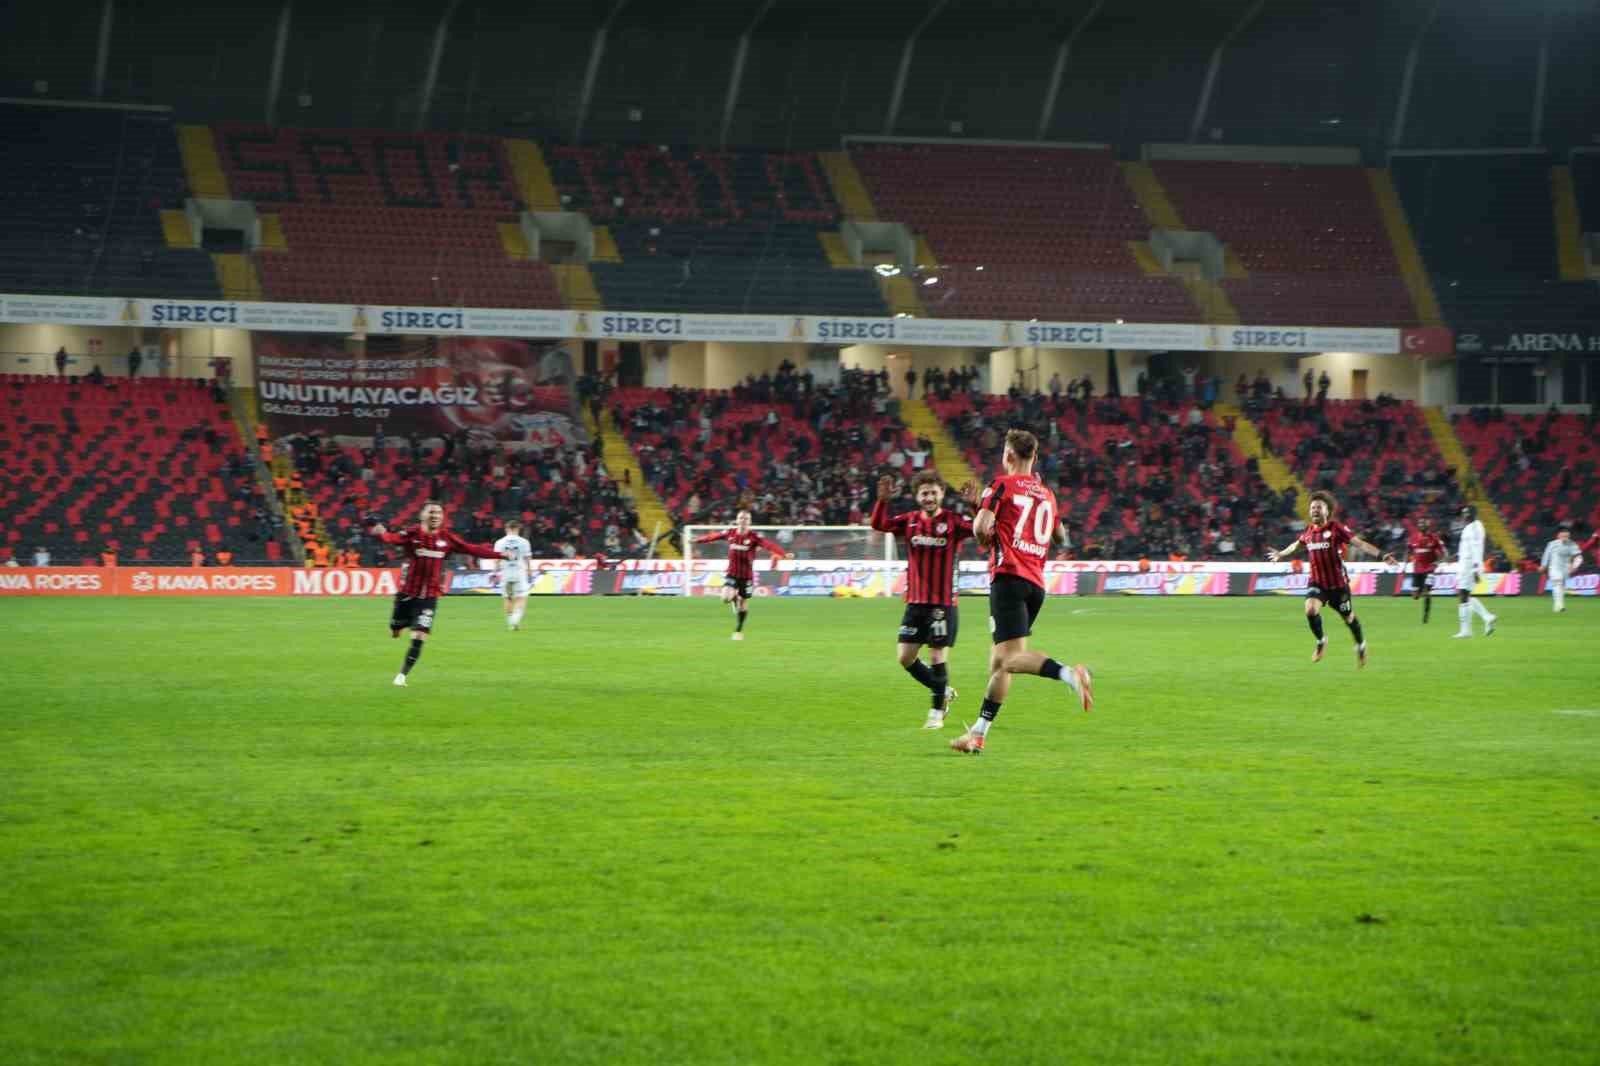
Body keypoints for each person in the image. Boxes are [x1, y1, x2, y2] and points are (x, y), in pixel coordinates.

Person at [950, 430, 1093, 755]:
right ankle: (977, 734)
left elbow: (981, 530)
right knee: (1000, 663)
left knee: (1011, 660)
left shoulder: (1001, 485)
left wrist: (978, 509)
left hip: (1008, 578)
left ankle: (1071, 674)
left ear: (1010, 456)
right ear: (1035, 457)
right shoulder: (1046, 493)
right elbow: (1061, 538)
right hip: (1035, 584)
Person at [871, 471, 977, 729]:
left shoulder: (953, 522)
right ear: (917, 496)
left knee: (937, 655)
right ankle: (943, 691)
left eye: (933, 492)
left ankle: (936, 713)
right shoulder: (908, 522)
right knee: (905, 657)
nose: (929, 497)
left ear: (942, 493)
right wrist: (882, 501)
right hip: (915, 602)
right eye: (924, 493)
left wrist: (975, 506)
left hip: (943, 604)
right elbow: (879, 525)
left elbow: (982, 529)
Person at [370, 502, 506, 686]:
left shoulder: (446, 539)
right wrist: (381, 533)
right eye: (431, 512)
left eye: (439, 512)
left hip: (429, 598)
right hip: (407, 594)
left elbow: (471, 549)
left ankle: (401, 676)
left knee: (419, 636)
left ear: (442, 517)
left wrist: (500, 555)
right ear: (422, 515)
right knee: (395, 631)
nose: (435, 515)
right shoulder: (412, 533)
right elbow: (392, 538)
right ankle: (403, 624)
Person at [1267, 490, 1394, 667]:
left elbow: (1360, 544)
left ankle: (1361, 645)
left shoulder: (1336, 529)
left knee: (1349, 618)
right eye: (1312, 507)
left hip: (1338, 586)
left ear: (1327, 511)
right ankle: (1321, 641)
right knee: (1310, 609)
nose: (1315, 510)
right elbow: (1297, 545)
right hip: (1317, 582)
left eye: (1319, 507)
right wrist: (1281, 554)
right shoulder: (1309, 531)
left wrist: (1382, 555)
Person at [692, 510, 788, 640]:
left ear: (749, 522)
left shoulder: (754, 537)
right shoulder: (730, 533)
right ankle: (733, 599)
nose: (743, 520)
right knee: (725, 598)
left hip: (746, 576)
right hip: (732, 573)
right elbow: (713, 536)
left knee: (743, 604)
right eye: (741, 518)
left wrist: (783, 553)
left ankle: (738, 630)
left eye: (746, 519)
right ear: (737, 520)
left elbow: (769, 545)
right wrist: (698, 540)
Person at [1452, 504, 1497, 638]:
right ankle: (1487, 617)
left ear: (1473, 514)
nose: (1464, 516)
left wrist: (1477, 568)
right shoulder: (1470, 527)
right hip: (1465, 564)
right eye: (1463, 513)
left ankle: (1466, 630)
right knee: (1464, 594)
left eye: (1467, 513)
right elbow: (1467, 547)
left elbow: (1477, 549)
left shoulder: (1476, 528)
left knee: (1463, 595)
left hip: (1470, 565)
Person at [1404, 515, 1447, 623]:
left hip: (1429, 568)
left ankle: (1426, 615)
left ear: (1427, 525)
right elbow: (1408, 551)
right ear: (1418, 526)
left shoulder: (1434, 538)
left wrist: (1439, 562)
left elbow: (1444, 553)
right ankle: (1420, 593)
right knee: (1415, 596)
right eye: (1420, 524)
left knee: (1427, 592)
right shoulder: (1413, 537)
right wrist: (1405, 564)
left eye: (1423, 523)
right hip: (1417, 569)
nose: (1421, 525)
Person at [495, 518, 534, 631]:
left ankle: (510, 622)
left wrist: (494, 572)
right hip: (519, 572)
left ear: (506, 529)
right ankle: (515, 620)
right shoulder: (524, 542)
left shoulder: (499, 542)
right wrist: (529, 570)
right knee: (521, 597)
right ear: (518, 529)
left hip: (506, 572)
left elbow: (496, 559)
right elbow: (527, 558)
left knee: (507, 598)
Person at [1539, 524, 1583, 614]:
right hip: (1554, 567)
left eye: (1566, 535)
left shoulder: (1572, 544)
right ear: (1558, 535)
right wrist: (1543, 565)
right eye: (1563, 535)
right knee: (1557, 583)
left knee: (1561, 587)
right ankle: (1560, 606)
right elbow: (1546, 555)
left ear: (1569, 535)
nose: (1565, 537)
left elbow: (1579, 557)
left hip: (1565, 568)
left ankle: (1557, 606)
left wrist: (1575, 566)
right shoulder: (1552, 544)